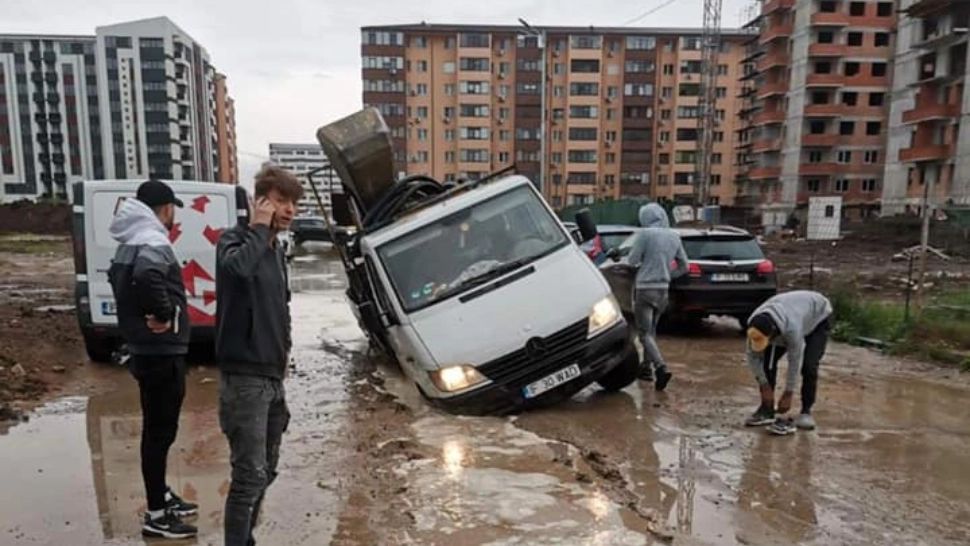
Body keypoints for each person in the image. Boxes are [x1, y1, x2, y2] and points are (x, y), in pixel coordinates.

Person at [216, 165, 302, 546]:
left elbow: (279, 311)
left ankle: (246, 537)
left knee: (266, 470)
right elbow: (237, 269)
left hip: (272, 376)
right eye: (282, 201)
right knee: (248, 474)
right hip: (244, 378)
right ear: (261, 202)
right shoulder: (234, 242)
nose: (290, 210)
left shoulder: (276, 251)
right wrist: (259, 227)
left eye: (293, 203)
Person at [107, 180, 198, 540]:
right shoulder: (153, 239)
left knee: (158, 431)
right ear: (165, 208)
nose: (173, 215)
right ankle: (157, 516)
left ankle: (161, 495)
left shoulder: (130, 239)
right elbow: (148, 277)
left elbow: (123, 281)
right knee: (160, 433)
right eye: (172, 208)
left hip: (145, 349)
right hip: (160, 352)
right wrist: (165, 312)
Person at [744, 290, 833, 435]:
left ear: (773, 333)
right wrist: (763, 384)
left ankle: (806, 412)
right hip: (789, 313)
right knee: (767, 362)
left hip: (818, 317)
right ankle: (767, 409)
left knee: (809, 366)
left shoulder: (792, 328)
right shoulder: (755, 323)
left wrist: (788, 393)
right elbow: (753, 356)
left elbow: (795, 361)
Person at [626, 203, 688, 391]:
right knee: (652, 331)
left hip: (645, 288)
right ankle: (645, 369)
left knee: (644, 334)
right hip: (663, 290)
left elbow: (632, 260)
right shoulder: (674, 236)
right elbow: (684, 266)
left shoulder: (645, 234)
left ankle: (661, 368)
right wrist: (668, 275)